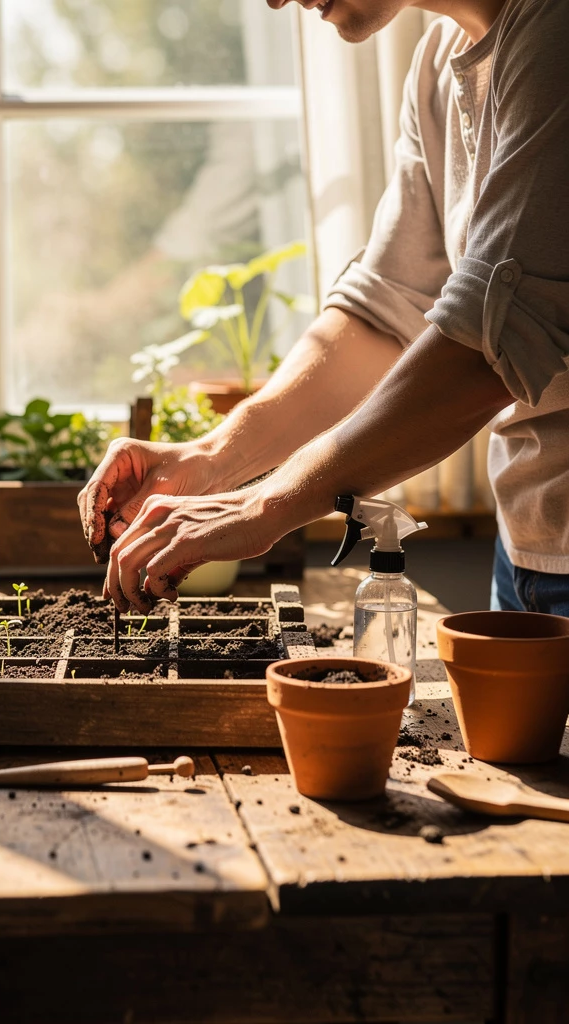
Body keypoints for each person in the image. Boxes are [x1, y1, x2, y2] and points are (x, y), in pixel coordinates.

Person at [79, 0, 569, 617]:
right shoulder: (439, 62)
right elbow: (386, 309)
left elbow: (484, 352)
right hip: (526, 547)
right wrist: (213, 458)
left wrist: (261, 505)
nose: (274, 1)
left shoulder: (555, 35)